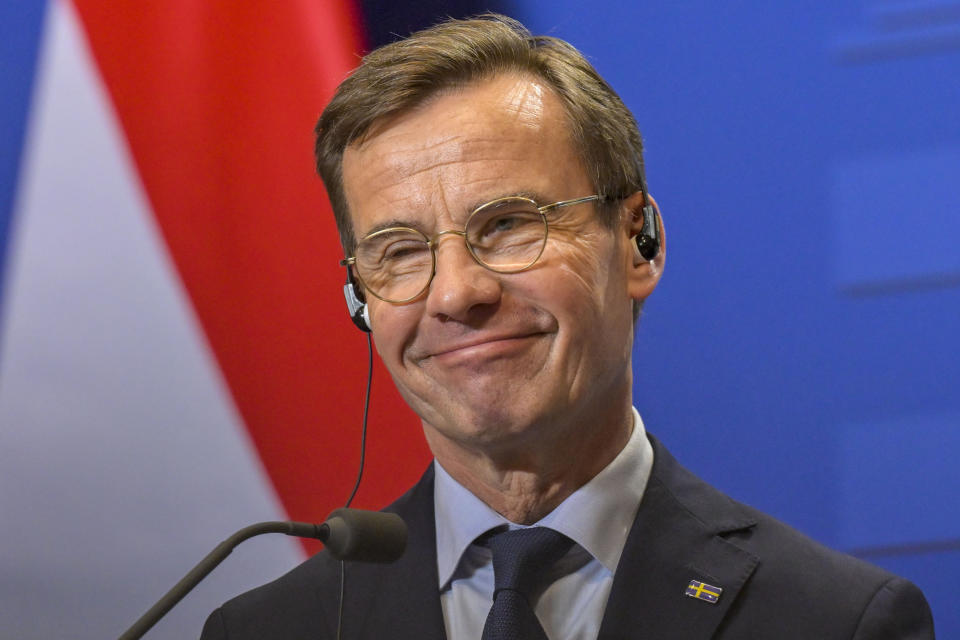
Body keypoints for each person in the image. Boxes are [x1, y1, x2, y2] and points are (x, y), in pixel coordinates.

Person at [200, 14, 934, 640]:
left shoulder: (835, 621)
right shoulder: (266, 630)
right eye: (398, 253)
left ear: (638, 240)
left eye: (510, 225)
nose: (456, 294)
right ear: (361, 297)